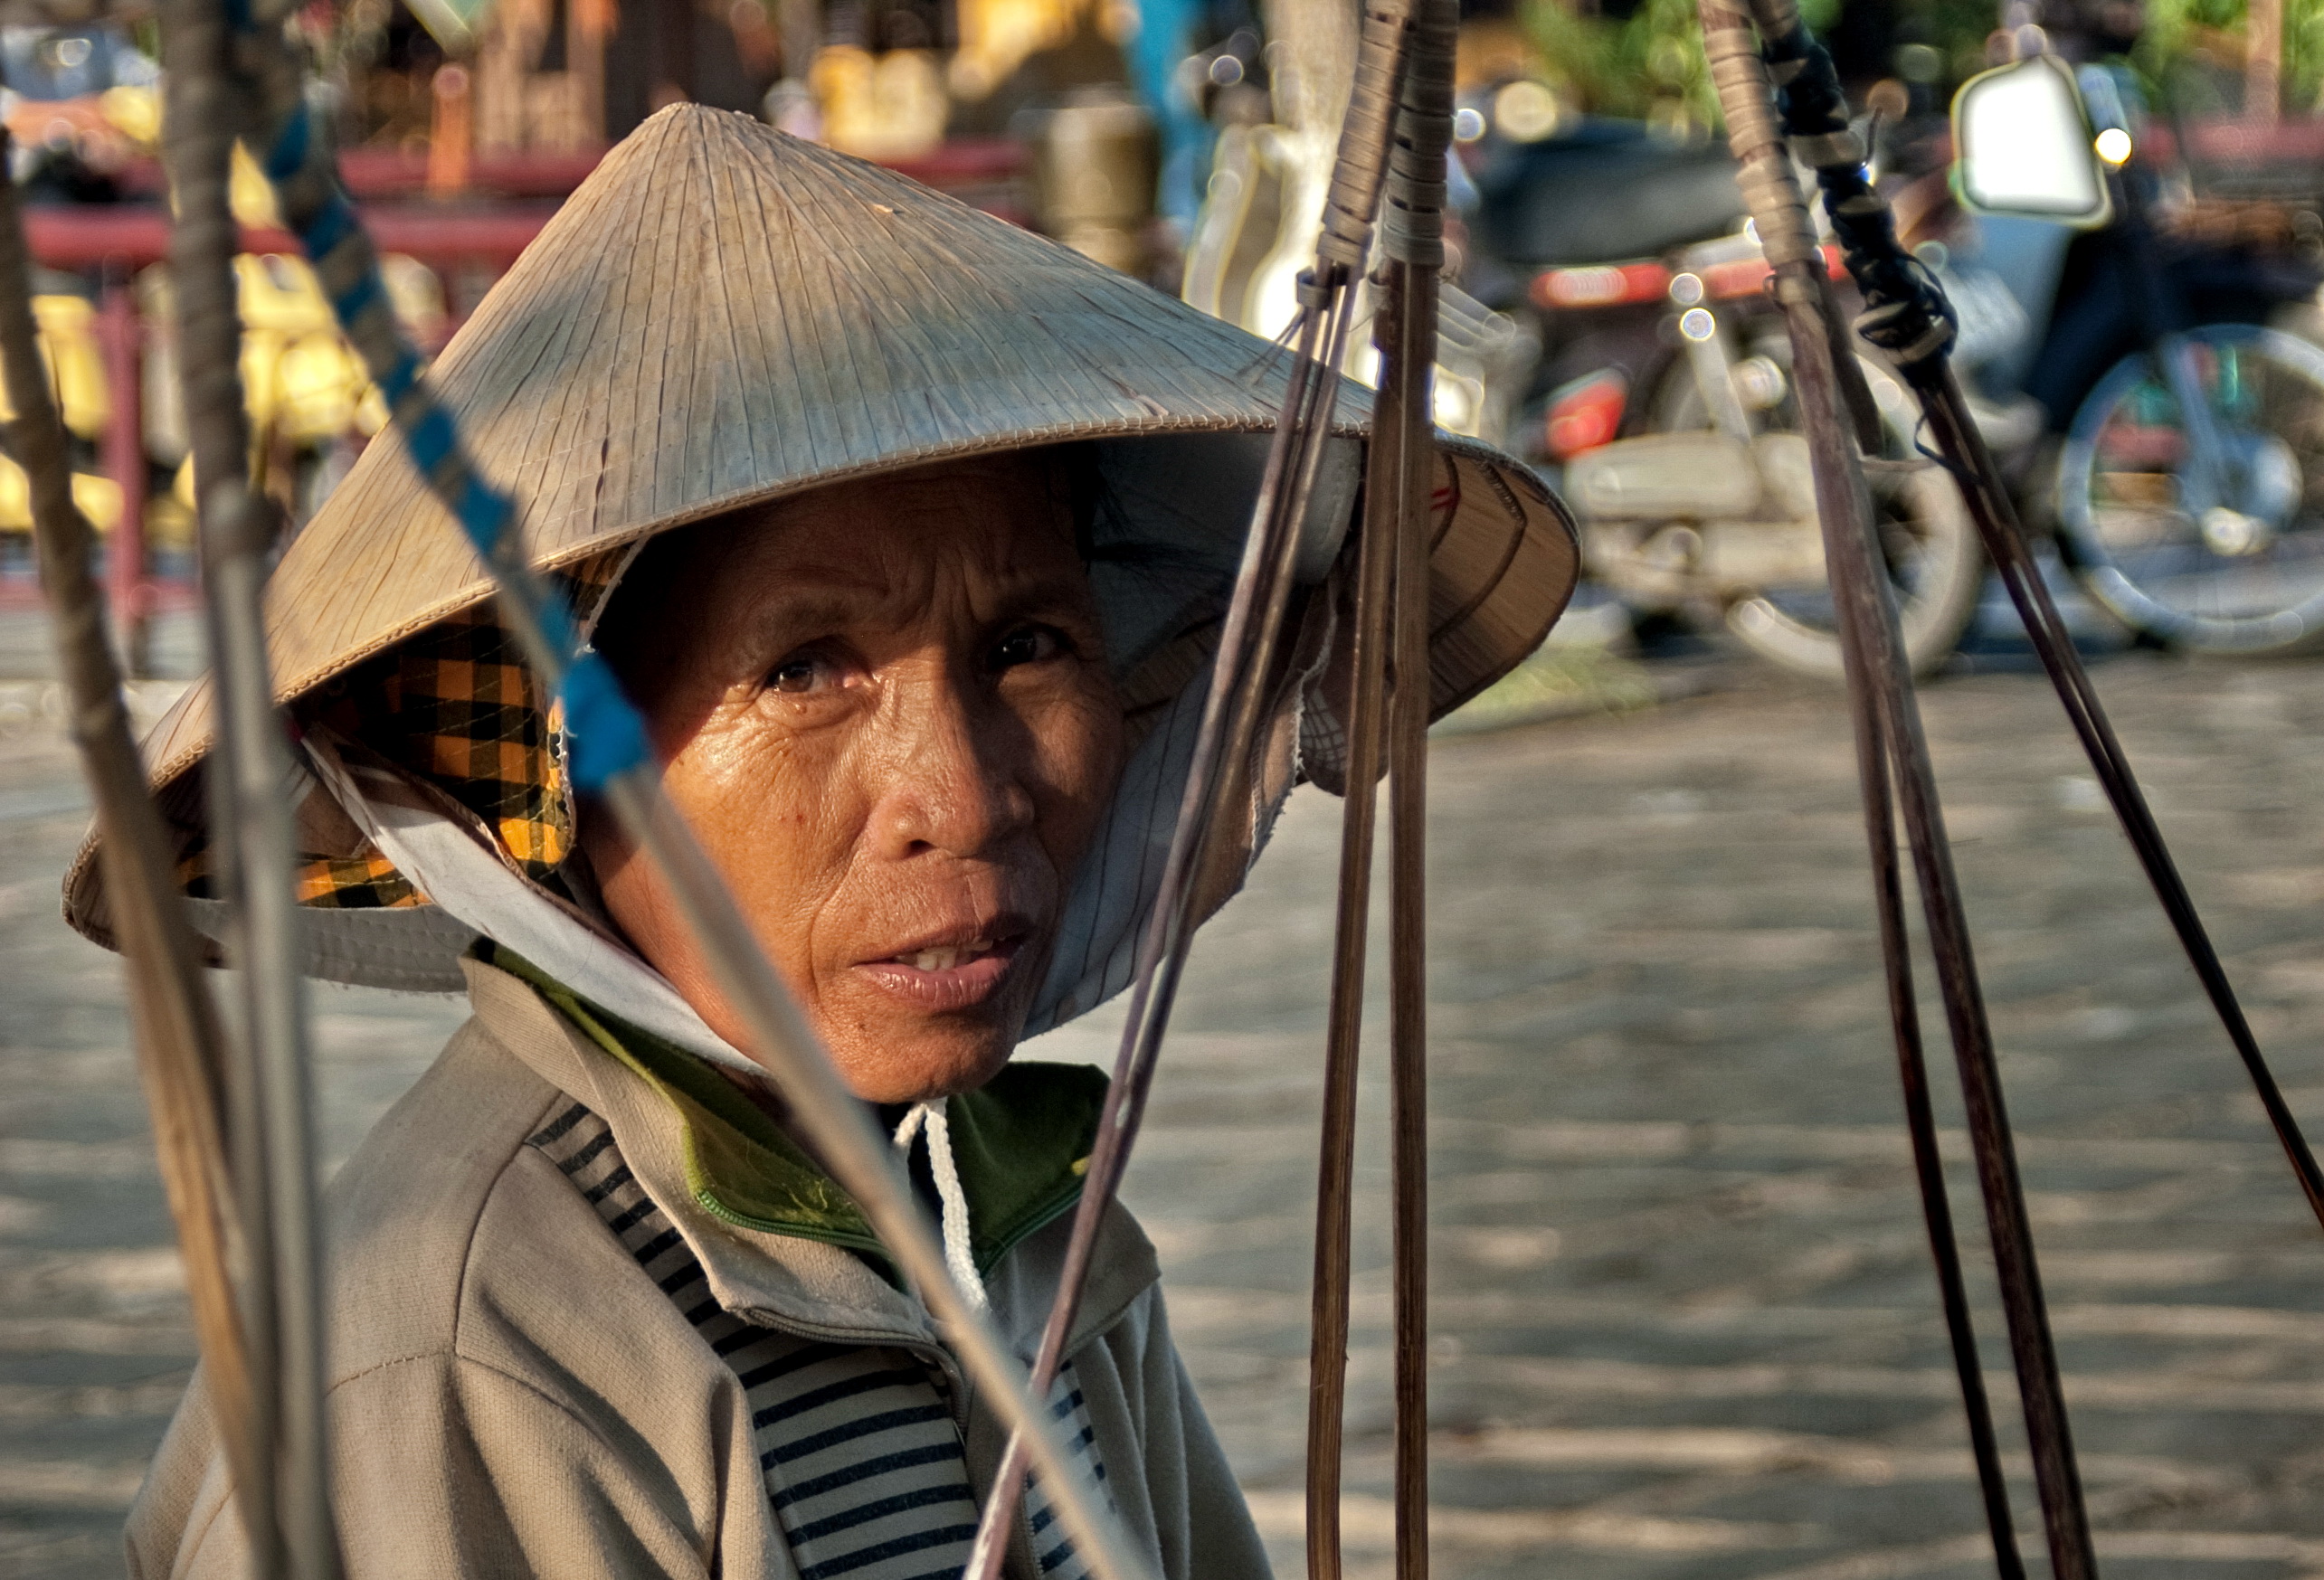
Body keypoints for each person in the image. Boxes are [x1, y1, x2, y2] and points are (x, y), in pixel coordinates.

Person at [79, 104, 1577, 1578]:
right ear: (540, 774)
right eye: (801, 671)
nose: (965, 796)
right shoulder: (467, 1349)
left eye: (1031, 643)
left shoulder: (1010, 1222)